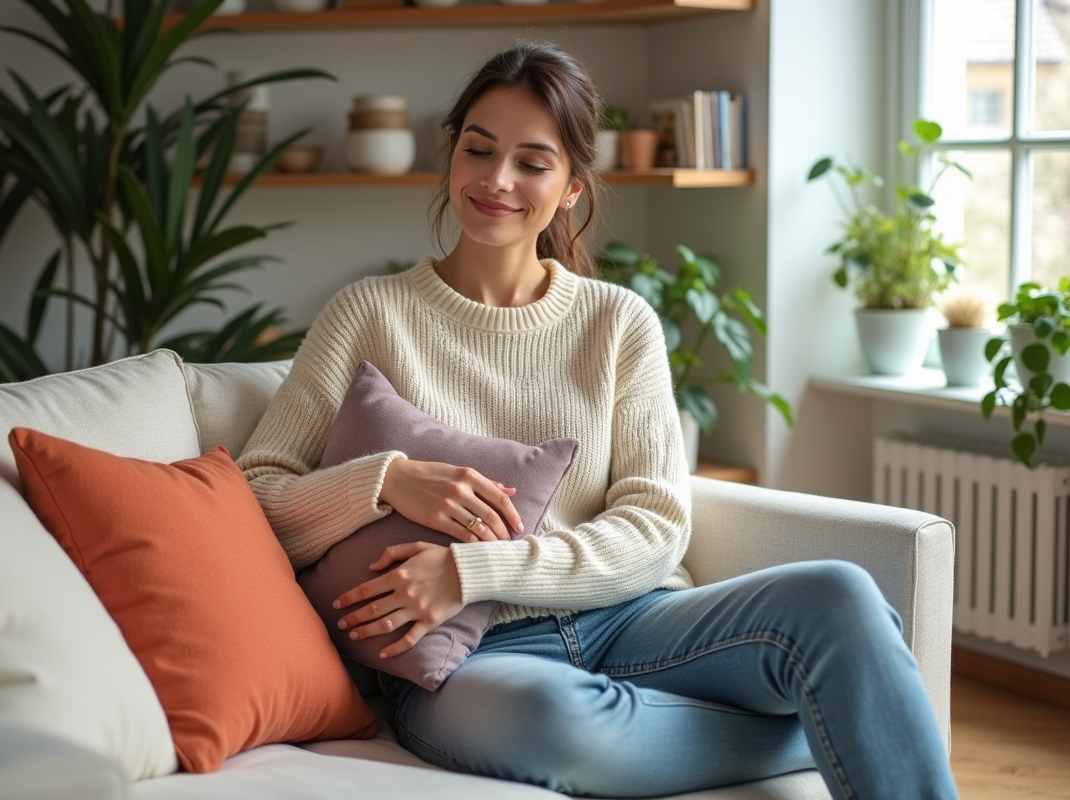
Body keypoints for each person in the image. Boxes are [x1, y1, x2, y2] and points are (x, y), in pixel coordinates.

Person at [238, 41, 959, 800]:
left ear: (573, 187)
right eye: (477, 150)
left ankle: (840, 706)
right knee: (558, 721)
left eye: (532, 162)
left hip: (632, 619)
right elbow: (254, 496)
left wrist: (473, 569)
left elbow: (655, 522)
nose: (496, 180)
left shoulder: (619, 322)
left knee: (840, 597)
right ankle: (830, 718)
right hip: (473, 662)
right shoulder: (366, 313)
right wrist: (389, 482)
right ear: (450, 155)